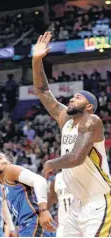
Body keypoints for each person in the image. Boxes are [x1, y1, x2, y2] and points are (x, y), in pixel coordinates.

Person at [32, 31, 111, 237]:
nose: (72, 99)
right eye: (73, 97)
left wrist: (50, 163)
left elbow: (76, 158)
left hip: (98, 201)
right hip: (75, 205)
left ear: (90, 107)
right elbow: (42, 90)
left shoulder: (92, 122)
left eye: (78, 97)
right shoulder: (65, 120)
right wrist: (36, 60)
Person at [0, 152, 56, 237]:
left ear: (9, 162)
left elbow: (39, 180)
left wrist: (43, 210)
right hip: (28, 227)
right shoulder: (5, 188)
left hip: (35, 223)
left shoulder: (9, 170)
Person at [47, 172, 74, 237]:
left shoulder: (82, 176)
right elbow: (51, 200)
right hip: (63, 225)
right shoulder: (57, 179)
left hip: (81, 224)